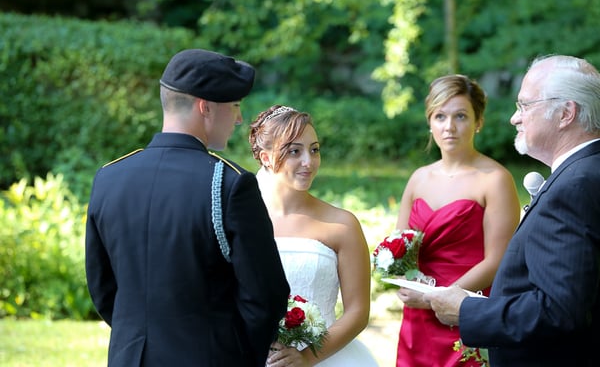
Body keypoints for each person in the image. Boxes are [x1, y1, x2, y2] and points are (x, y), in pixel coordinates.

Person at [85, 49, 290, 367]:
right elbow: (266, 295)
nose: (238, 118)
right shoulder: (230, 184)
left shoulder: (109, 177)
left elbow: (102, 288)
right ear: (205, 107)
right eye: (235, 105)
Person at [425, 55, 600, 367]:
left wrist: (467, 311)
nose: (514, 119)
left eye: (524, 106)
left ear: (565, 114)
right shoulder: (586, 172)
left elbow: (559, 310)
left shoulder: (574, 186)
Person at [393, 74, 521, 366]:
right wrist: (405, 281)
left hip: (467, 311)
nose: (449, 127)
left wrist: (441, 298)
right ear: (430, 122)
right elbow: (399, 249)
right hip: (417, 317)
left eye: (460, 116)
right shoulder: (418, 179)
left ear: (478, 122)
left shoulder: (495, 180)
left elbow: (498, 260)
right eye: (440, 116)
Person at [248, 105, 379, 367]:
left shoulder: (342, 224)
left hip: (326, 358)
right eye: (295, 151)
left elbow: (358, 312)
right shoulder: (243, 222)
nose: (309, 161)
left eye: (314, 149)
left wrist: (306, 357)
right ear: (265, 157)